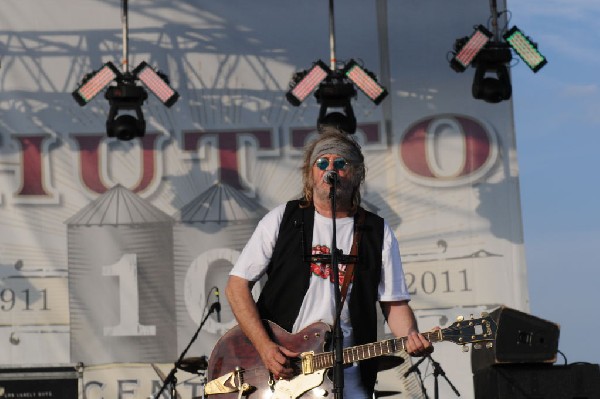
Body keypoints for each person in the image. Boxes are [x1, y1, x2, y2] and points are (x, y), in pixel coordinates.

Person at [225, 126, 433, 398]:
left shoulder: (377, 231)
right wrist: (265, 347)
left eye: (340, 163)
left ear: (356, 173)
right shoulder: (283, 219)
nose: (330, 169)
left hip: (348, 375)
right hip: (283, 369)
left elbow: (393, 302)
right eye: (322, 163)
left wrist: (412, 336)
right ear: (310, 174)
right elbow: (236, 286)